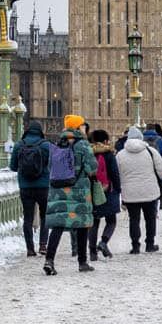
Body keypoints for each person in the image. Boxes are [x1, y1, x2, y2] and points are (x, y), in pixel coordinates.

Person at [43, 114, 98, 275]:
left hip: (59, 189)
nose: (84, 128)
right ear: (76, 127)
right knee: (81, 226)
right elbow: (92, 168)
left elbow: (50, 167)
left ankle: (49, 260)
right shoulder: (83, 145)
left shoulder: (57, 144)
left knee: (58, 226)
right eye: (82, 125)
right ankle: (82, 262)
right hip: (79, 190)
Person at [118, 126, 162, 253]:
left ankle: (135, 246)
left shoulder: (120, 155)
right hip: (150, 191)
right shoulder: (150, 152)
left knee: (134, 219)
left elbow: (117, 173)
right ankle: (150, 244)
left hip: (130, 193)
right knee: (150, 218)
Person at [8, 119, 51, 256]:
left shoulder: (19, 145)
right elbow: (53, 165)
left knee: (28, 217)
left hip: (25, 187)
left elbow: (13, 167)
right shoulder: (46, 145)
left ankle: (30, 249)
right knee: (45, 216)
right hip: (43, 186)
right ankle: (43, 245)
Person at [88, 128, 121, 259]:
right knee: (111, 221)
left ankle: (92, 252)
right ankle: (103, 242)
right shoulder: (109, 154)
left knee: (94, 222)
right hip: (108, 191)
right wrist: (118, 189)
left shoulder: (88, 153)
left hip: (92, 191)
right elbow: (115, 173)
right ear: (106, 141)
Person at [144, 123, 162, 208]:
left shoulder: (140, 141)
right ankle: (160, 203)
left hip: (144, 168)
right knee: (159, 186)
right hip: (158, 169)